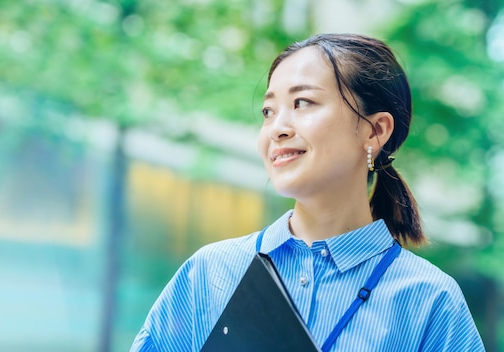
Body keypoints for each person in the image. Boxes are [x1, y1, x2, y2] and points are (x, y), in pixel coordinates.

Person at [130, 33, 485, 351]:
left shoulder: (430, 300)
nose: (277, 128)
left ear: (375, 131)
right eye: (268, 111)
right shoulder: (211, 272)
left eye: (303, 103)